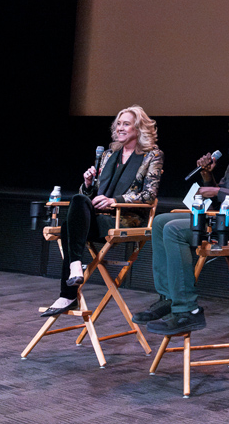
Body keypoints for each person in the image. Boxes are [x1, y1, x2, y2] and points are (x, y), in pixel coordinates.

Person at [135, 105, 229, 336]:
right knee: (161, 221)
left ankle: (187, 311)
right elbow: (219, 197)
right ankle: (169, 299)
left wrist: (217, 193)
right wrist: (207, 176)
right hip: (226, 220)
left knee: (173, 229)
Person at [41, 105, 163, 317]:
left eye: (126, 124)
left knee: (70, 227)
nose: (120, 128)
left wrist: (114, 200)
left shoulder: (152, 155)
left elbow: (149, 195)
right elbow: (91, 197)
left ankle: (67, 295)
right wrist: (88, 184)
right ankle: (76, 267)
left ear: (139, 127)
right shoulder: (108, 155)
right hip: (98, 216)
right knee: (79, 199)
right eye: (118, 124)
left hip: (124, 218)